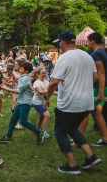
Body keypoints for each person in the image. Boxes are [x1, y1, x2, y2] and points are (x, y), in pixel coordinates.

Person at [44, 30, 102, 174]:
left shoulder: (64, 58)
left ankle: (72, 165)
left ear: (62, 42)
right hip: (87, 102)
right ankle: (90, 156)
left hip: (70, 104)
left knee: (60, 131)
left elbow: (53, 82)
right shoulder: (87, 56)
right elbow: (95, 76)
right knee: (72, 127)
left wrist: (46, 98)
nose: (59, 45)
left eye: (59, 42)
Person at [0, 62, 45, 144]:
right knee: (13, 119)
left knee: (23, 121)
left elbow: (18, 91)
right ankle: (8, 137)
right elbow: (22, 85)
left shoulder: (25, 78)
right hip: (20, 102)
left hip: (25, 103)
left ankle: (39, 132)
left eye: (21, 68)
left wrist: (5, 88)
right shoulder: (23, 77)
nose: (19, 69)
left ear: (26, 71)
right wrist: (15, 79)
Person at [79, 32, 107, 146]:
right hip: (102, 87)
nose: (87, 44)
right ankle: (105, 138)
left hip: (97, 88)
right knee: (97, 114)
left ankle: (78, 139)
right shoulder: (103, 52)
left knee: (84, 112)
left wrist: (100, 93)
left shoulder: (96, 54)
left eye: (88, 41)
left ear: (92, 41)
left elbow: (101, 73)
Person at [32, 66, 53, 139]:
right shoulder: (36, 83)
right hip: (37, 103)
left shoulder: (46, 81)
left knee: (41, 117)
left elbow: (50, 91)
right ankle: (44, 132)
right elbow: (40, 92)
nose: (44, 74)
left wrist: (59, 93)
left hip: (42, 101)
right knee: (47, 116)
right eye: (42, 73)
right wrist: (50, 91)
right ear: (37, 74)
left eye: (45, 73)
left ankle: (37, 129)